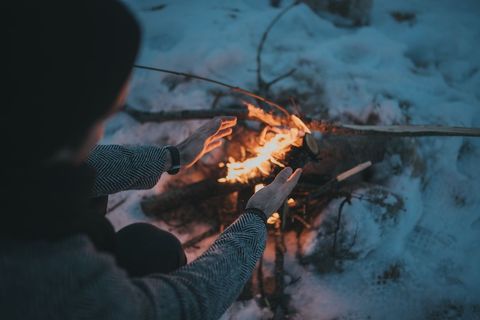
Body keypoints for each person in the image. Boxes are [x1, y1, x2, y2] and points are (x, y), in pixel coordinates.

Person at [2, 1, 302, 319]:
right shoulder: (50, 282)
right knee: (155, 252)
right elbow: (184, 305)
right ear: (67, 123)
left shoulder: (17, 143)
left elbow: (89, 165)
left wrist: (172, 156)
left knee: (148, 247)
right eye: (107, 113)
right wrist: (255, 218)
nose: (102, 127)